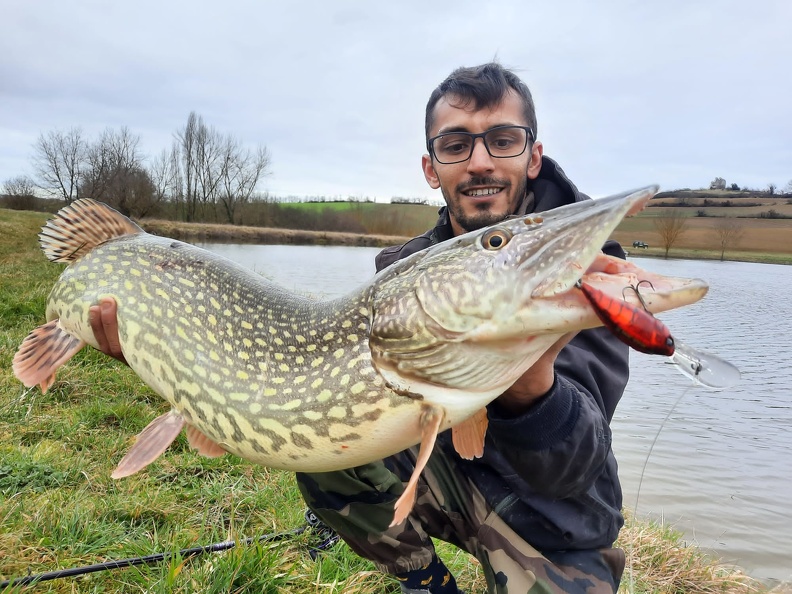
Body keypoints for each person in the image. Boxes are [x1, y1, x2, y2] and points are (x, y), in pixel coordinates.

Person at [90, 63, 630, 594]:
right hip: (448, 481)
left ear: (533, 155)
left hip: (556, 519)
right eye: (455, 145)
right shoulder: (405, 271)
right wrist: (169, 353)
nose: (480, 162)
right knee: (331, 459)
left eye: (503, 140)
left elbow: (570, 471)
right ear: (430, 167)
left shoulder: (584, 276)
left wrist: (530, 382)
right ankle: (425, 582)